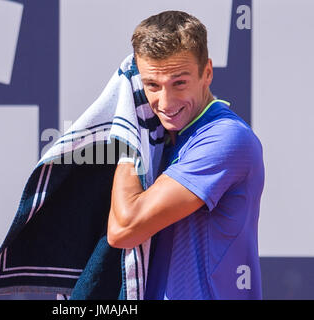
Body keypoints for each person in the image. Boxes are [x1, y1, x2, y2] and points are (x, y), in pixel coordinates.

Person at [107, 10, 264, 300]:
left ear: (207, 73)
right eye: (152, 85)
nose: (165, 103)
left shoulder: (226, 138)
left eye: (179, 83)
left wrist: (128, 135)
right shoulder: (161, 139)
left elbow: (124, 229)